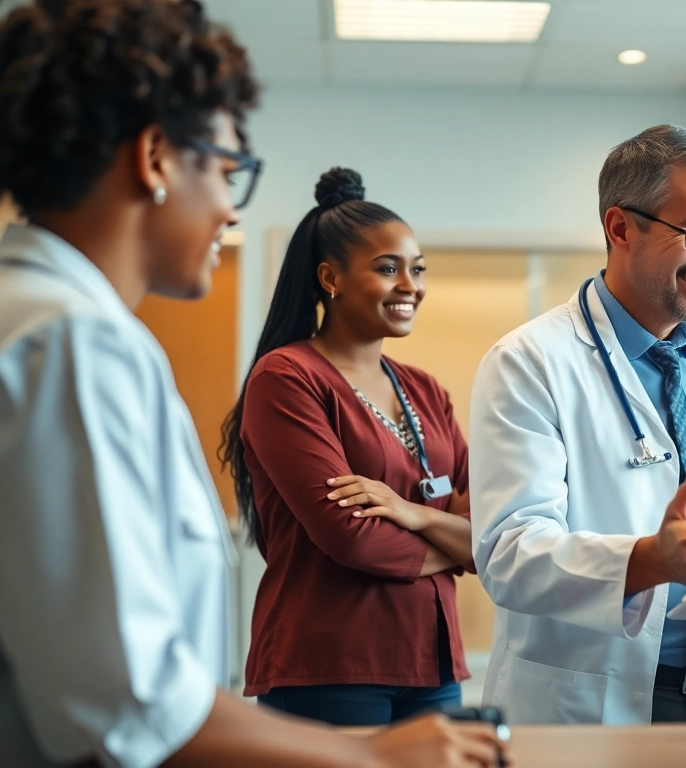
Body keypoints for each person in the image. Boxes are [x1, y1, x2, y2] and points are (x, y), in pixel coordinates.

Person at [0, 2, 504, 766]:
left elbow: (487, 531)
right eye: (231, 169)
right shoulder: (74, 343)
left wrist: (411, 517)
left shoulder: (42, 322)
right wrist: (373, 758)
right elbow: (127, 706)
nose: (231, 210)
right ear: (158, 157)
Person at [470, 124, 686, 725]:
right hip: (603, 699)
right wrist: (650, 560)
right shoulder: (530, 362)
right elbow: (509, 553)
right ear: (620, 228)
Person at [221, 168, 475, 726]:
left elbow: (493, 529)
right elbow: (353, 538)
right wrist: (455, 544)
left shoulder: (425, 389)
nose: (410, 285)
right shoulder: (286, 377)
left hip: (432, 664)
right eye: (388, 269)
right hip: (330, 665)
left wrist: (410, 514)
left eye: (417, 268)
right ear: (330, 278)